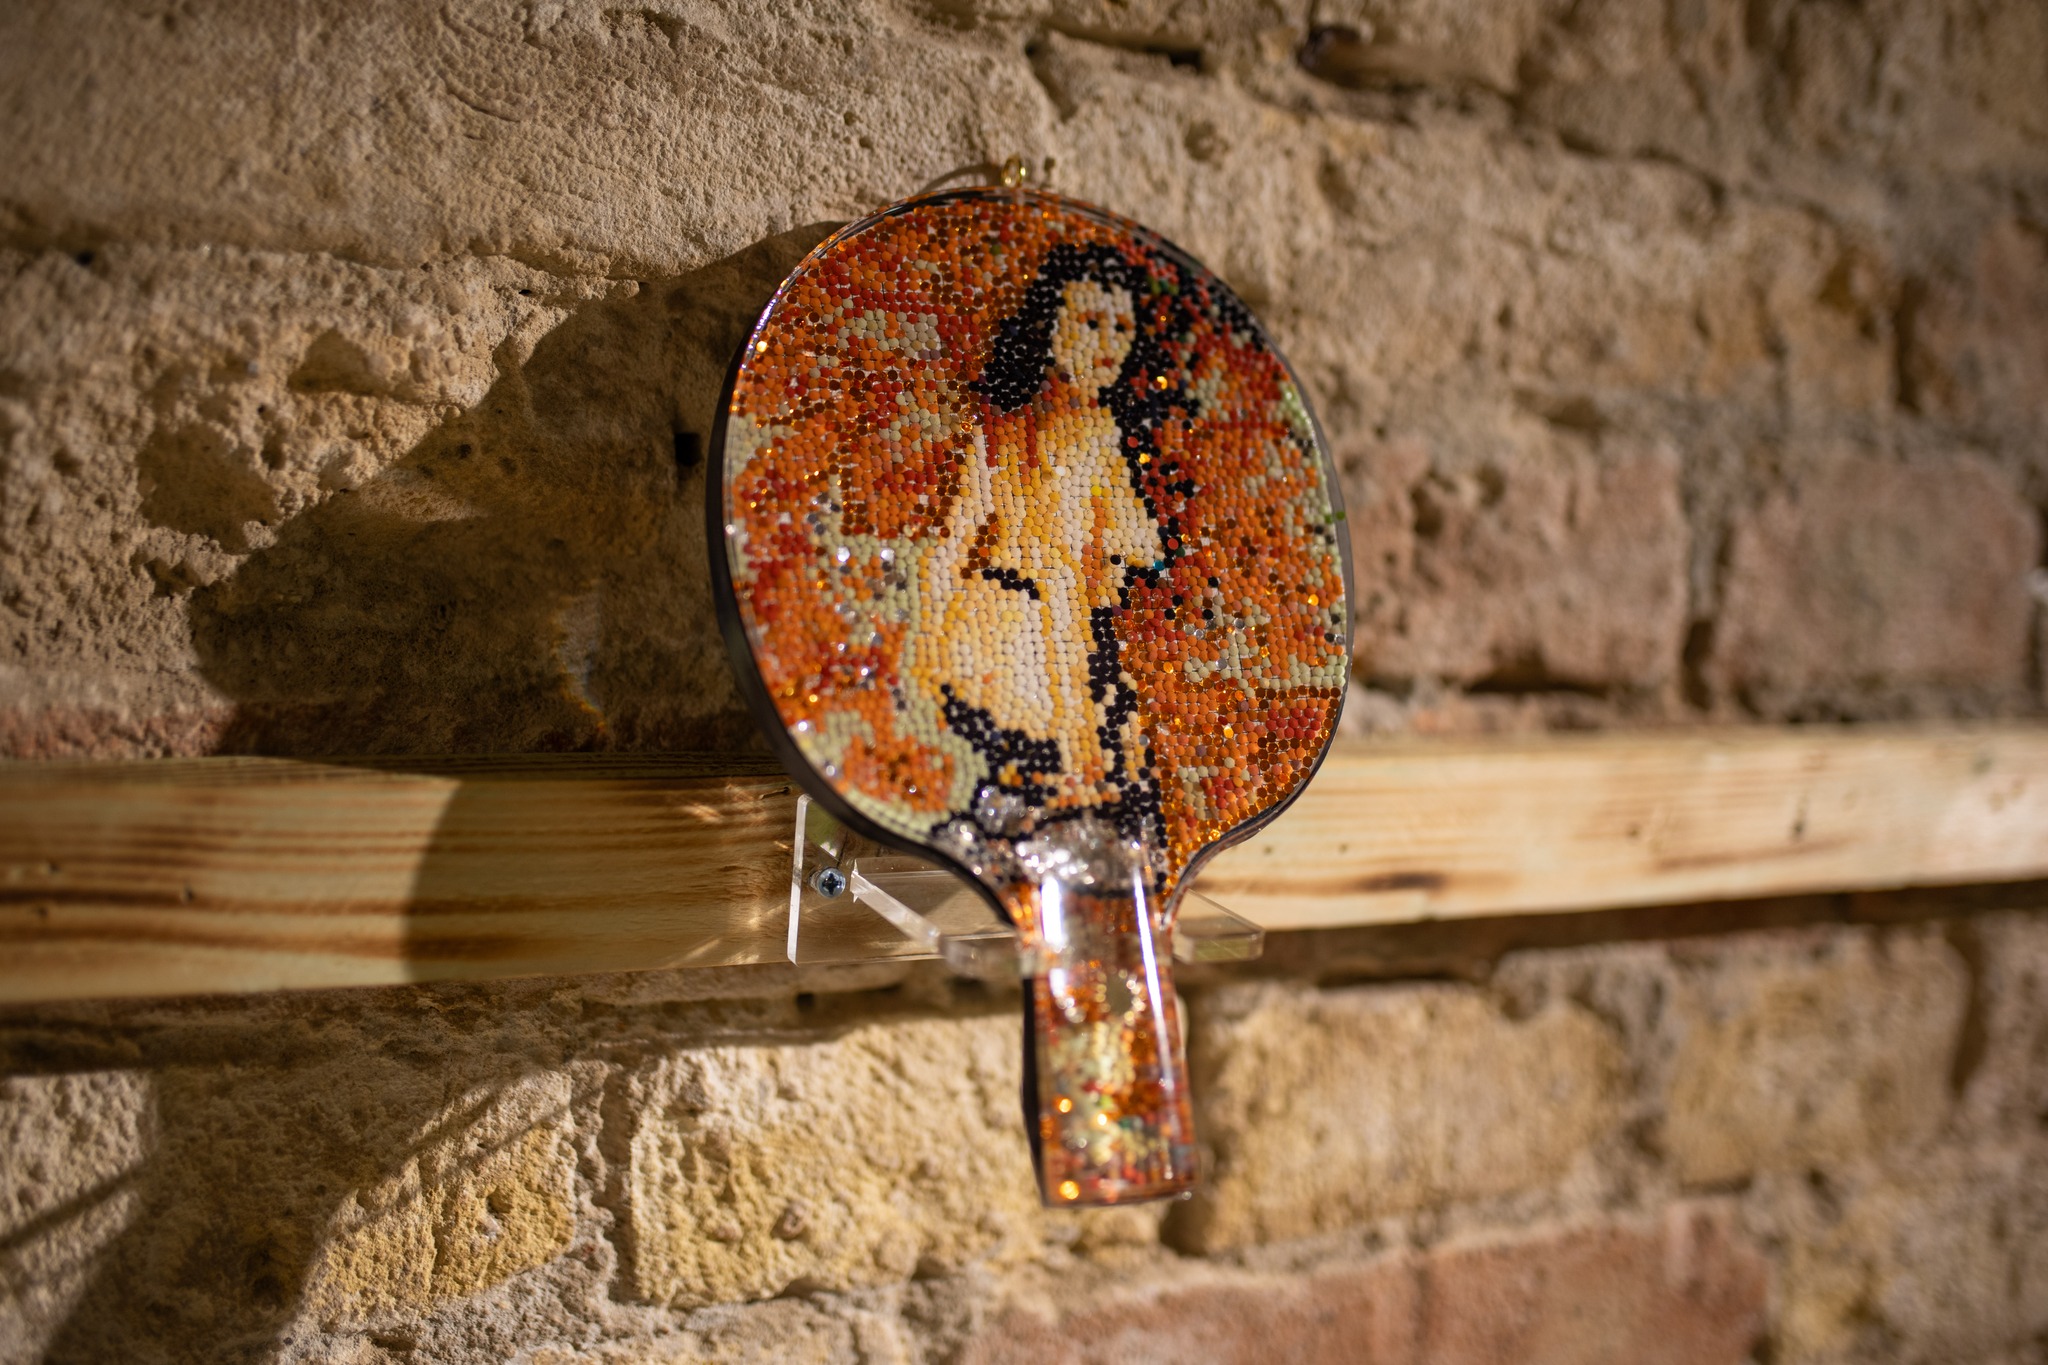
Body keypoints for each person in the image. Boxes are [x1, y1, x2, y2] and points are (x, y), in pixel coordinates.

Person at [909, 244, 1185, 848]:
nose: (1107, 343)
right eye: (1090, 322)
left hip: (1074, 637)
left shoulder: (1105, 436)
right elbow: (955, 541)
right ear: (1053, 331)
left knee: (1118, 738)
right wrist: (924, 648)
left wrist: (1112, 548)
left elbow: (1141, 549)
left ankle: (1086, 826)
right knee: (1063, 730)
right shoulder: (1005, 431)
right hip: (1005, 623)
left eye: (1121, 328)